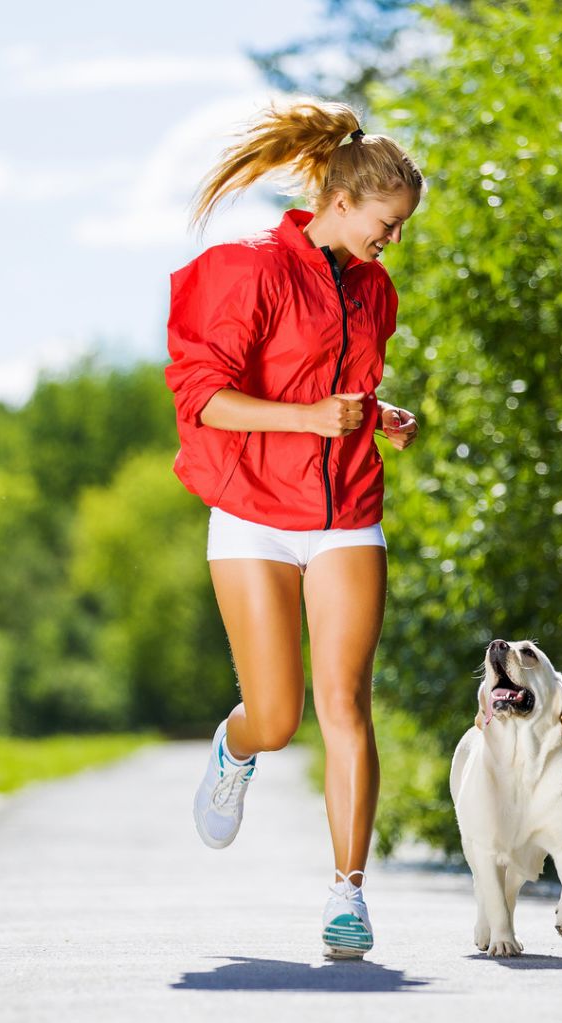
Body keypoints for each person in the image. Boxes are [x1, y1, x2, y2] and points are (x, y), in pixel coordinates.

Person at [164, 97, 423, 960]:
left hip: (346, 511)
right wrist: (313, 419)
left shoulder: (375, 290)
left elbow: (334, 388)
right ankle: (235, 749)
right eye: (388, 223)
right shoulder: (247, 272)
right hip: (251, 514)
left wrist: (375, 415)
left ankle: (347, 895)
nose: (394, 240)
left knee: (345, 703)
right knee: (277, 718)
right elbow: (205, 397)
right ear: (343, 202)